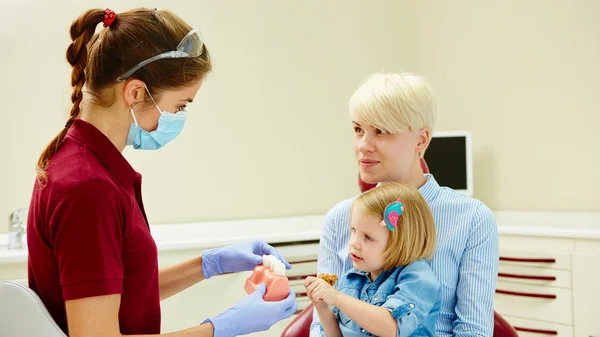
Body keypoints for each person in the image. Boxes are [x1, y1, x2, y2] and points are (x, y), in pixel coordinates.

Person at [26, 7, 297, 337]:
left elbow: (118, 294)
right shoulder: (90, 189)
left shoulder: (83, 163)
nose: (179, 116)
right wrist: (219, 329)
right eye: (180, 105)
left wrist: (209, 264)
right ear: (136, 92)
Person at [311, 72, 499, 337]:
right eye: (358, 130)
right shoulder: (340, 217)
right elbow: (323, 324)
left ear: (421, 140)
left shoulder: (471, 218)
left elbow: (473, 331)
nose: (363, 145)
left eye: (381, 131)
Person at [304, 182, 441, 337]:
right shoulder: (350, 280)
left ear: (400, 243)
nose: (354, 242)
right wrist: (322, 307)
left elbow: (392, 328)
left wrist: (337, 298)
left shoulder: (418, 278)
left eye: (368, 237)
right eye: (353, 230)